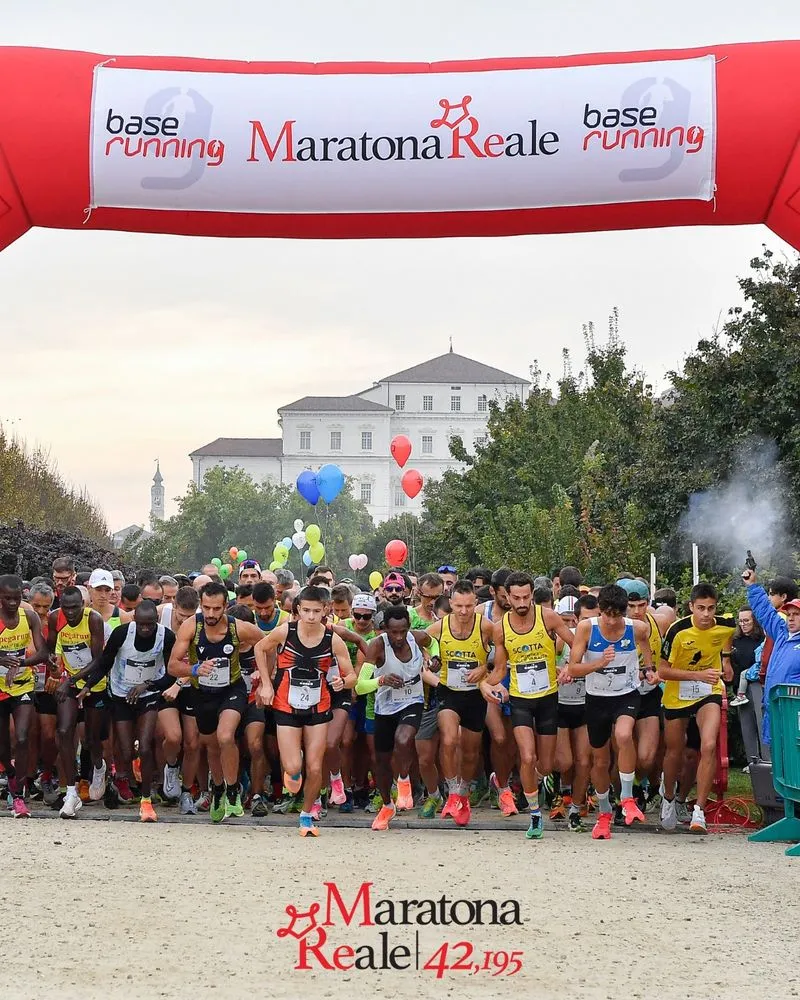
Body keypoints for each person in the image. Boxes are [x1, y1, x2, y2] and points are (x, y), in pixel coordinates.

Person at [479, 572, 574, 840]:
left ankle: (534, 780)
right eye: (516, 597)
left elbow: (576, 643)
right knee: (527, 756)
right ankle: (534, 815)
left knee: (545, 763)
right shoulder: (501, 628)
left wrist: (569, 667)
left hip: (548, 698)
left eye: (526, 596)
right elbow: (498, 670)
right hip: (520, 698)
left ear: (533, 594)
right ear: (506, 596)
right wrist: (486, 685)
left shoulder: (548, 617)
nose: (522, 602)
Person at [254, 586, 355, 837]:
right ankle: (294, 771)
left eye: (316, 611)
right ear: (298, 609)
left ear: (325, 611)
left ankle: (307, 815)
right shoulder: (285, 632)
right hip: (286, 706)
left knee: (315, 766)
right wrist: (266, 683)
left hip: (318, 707)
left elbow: (351, 675)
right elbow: (260, 648)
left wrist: (344, 682)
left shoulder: (333, 639)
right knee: (292, 766)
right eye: (306, 611)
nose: (311, 616)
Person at [68, 601, 176, 822]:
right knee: (126, 751)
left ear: (156, 622)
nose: (146, 629)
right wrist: (87, 686)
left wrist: (149, 685)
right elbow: (105, 663)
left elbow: (171, 672)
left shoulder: (166, 636)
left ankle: (146, 801)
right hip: (120, 695)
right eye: (142, 625)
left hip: (148, 694)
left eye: (150, 625)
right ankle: (119, 777)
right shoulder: (121, 634)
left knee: (145, 746)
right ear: (135, 620)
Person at [564, 584, 655, 840]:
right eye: (608, 615)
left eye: (618, 615)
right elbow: (572, 669)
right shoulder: (586, 628)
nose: (613, 621)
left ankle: (626, 797)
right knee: (600, 761)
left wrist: (649, 669)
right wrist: (599, 663)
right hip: (596, 699)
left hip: (626, 694)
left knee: (625, 735)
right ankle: (604, 811)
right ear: (599, 611)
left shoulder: (637, 628)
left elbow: (646, 646)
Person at [168, 582, 264, 823]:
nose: (211, 614)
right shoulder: (191, 626)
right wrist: (195, 668)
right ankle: (218, 788)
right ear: (201, 605)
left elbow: (266, 646)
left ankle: (233, 791)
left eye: (217, 609)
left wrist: (265, 678)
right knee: (211, 746)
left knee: (225, 736)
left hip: (232, 689)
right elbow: (172, 665)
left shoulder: (238, 628)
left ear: (226, 607)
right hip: (203, 692)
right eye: (207, 608)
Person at [659, 583, 735, 834]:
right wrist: (697, 675)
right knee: (674, 750)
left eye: (710, 608)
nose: (706, 614)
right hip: (677, 693)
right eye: (700, 608)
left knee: (709, 745)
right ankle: (668, 797)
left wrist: (725, 659)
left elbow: (727, 639)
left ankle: (699, 811)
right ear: (691, 607)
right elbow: (662, 671)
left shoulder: (726, 624)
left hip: (708, 692)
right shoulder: (677, 630)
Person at [425, 580, 493, 826]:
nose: (464, 612)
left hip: (475, 694)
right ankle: (452, 791)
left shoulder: (486, 627)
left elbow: (503, 658)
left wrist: (484, 668)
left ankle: (463, 793)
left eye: (468, 606)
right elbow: (422, 652)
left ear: (476, 604)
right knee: (450, 739)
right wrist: (431, 665)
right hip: (448, 691)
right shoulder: (438, 628)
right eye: (459, 606)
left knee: (471, 750)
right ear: (450, 603)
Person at [359, 605, 433, 832]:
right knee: (381, 763)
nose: (398, 637)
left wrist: (434, 658)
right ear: (385, 630)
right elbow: (361, 686)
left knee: (403, 739)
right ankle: (387, 804)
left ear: (408, 628)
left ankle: (403, 781)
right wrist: (380, 681)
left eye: (402, 631)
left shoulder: (417, 638)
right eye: (394, 632)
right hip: (385, 706)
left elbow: (433, 642)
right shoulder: (376, 647)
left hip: (413, 700)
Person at [47, 586, 107, 817]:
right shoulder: (55, 618)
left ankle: (99, 768)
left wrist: (72, 679)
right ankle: (71, 793)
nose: (70, 613)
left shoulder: (94, 619)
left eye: (75, 608)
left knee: (91, 739)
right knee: (63, 731)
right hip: (70, 683)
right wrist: (53, 663)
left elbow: (98, 659)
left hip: (94, 682)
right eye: (66, 608)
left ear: (83, 605)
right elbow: (50, 649)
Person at [0, 574, 50, 817]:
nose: (12, 603)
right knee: (2, 744)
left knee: (21, 737)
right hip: (0, 688)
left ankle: (19, 795)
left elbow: (42, 653)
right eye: (7, 598)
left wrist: (20, 662)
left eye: (16, 598)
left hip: (22, 685)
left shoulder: (28, 616)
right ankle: (10, 777)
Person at [743, 566, 800, 747]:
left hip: (794, 715)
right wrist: (752, 586)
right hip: (774, 711)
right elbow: (765, 612)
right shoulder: (782, 634)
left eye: (797, 615)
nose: (791, 618)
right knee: (779, 768)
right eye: (789, 614)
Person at [551, 594, 592, 832]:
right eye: (585, 619)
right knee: (564, 761)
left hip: (586, 705)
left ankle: (576, 808)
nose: (590, 624)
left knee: (583, 761)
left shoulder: (602, 640)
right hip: (561, 704)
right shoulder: (563, 638)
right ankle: (558, 790)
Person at [729, 605, 765, 708]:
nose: (742, 624)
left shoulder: (762, 640)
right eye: (740, 621)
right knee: (746, 722)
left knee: (760, 718)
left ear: (754, 621)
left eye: (746, 621)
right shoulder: (735, 640)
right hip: (739, 687)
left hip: (757, 683)